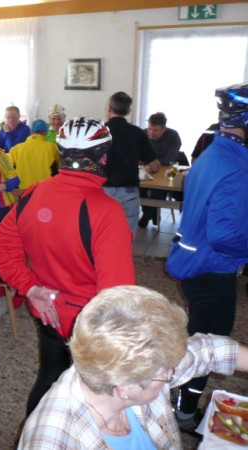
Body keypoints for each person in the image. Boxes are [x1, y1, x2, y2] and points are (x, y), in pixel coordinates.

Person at [0, 116, 135, 416]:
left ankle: (35, 434)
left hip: (48, 310)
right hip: (89, 327)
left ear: (60, 153)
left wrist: (30, 288)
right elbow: (117, 294)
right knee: (90, 401)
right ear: (103, 158)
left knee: (49, 378)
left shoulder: (34, 192)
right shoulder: (108, 211)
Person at [18, 285, 248, 449]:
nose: (173, 371)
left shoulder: (119, 363)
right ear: (124, 387)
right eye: (166, 373)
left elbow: (210, 350)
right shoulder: (51, 440)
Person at [166, 82, 248, 432]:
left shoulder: (214, 153)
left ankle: (174, 394)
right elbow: (224, 234)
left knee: (198, 337)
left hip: (196, 262)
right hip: (211, 269)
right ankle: (183, 412)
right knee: (211, 346)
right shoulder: (237, 164)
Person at [103, 92, 159, 236]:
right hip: (128, 192)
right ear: (128, 111)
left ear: (109, 109)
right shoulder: (137, 133)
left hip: (102, 191)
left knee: (101, 233)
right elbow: (154, 167)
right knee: (126, 235)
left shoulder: (98, 132)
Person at [138, 112, 182, 228]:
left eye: (155, 130)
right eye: (150, 129)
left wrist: (151, 163)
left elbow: (170, 158)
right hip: (145, 170)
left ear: (164, 128)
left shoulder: (173, 136)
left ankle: (147, 215)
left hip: (165, 171)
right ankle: (153, 212)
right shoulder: (142, 134)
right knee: (139, 186)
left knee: (158, 190)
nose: (151, 133)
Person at [8, 119, 60, 189]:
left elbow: (8, 172)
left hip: (22, 191)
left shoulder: (15, 150)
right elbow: (60, 169)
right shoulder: (52, 148)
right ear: (45, 133)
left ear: (31, 131)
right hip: (45, 190)